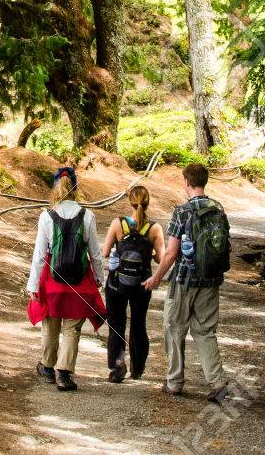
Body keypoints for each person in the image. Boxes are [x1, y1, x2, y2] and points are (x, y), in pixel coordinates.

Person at [142, 163, 232, 402]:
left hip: (183, 280)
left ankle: (174, 382)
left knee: (174, 328)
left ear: (187, 183)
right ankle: (218, 382)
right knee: (205, 332)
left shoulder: (182, 211)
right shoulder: (219, 209)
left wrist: (156, 278)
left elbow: (171, 253)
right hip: (210, 280)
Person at [27, 166, 107, 392]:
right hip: (79, 283)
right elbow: (95, 254)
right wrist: (99, 279)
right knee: (72, 329)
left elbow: (40, 255)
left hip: (53, 281)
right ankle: (64, 373)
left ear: (55, 187)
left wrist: (33, 284)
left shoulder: (46, 216)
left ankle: (47, 367)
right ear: (75, 187)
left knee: (50, 325)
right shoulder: (87, 215)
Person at [100, 185, 164, 383]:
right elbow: (161, 258)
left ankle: (117, 366)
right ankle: (137, 368)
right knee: (138, 324)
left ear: (129, 201)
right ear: (148, 201)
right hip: (141, 285)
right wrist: (149, 252)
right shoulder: (154, 228)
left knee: (116, 324)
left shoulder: (118, 224)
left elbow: (104, 252)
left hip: (116, 283)